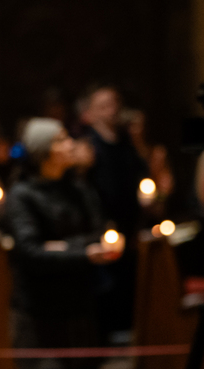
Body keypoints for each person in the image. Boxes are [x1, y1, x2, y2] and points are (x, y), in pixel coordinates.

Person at [4, 118, 119, 369]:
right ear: (42, 151)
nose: (70, 144)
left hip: (79, 310)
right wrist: (81, 252)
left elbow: (99, 234)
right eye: (61, 139)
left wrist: (66, 247)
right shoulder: (22, 195)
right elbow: (30, 252)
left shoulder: (79, 188)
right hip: (38, 315)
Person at [81, 85, 147, 339]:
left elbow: (141, 172)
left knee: (131, 278)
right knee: (107, 284)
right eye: (104, 106)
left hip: (130, 222)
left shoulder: (127, 141)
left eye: (114, 104)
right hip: (101, 226)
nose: (111, 111)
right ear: (91, 113)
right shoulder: (88, 146)